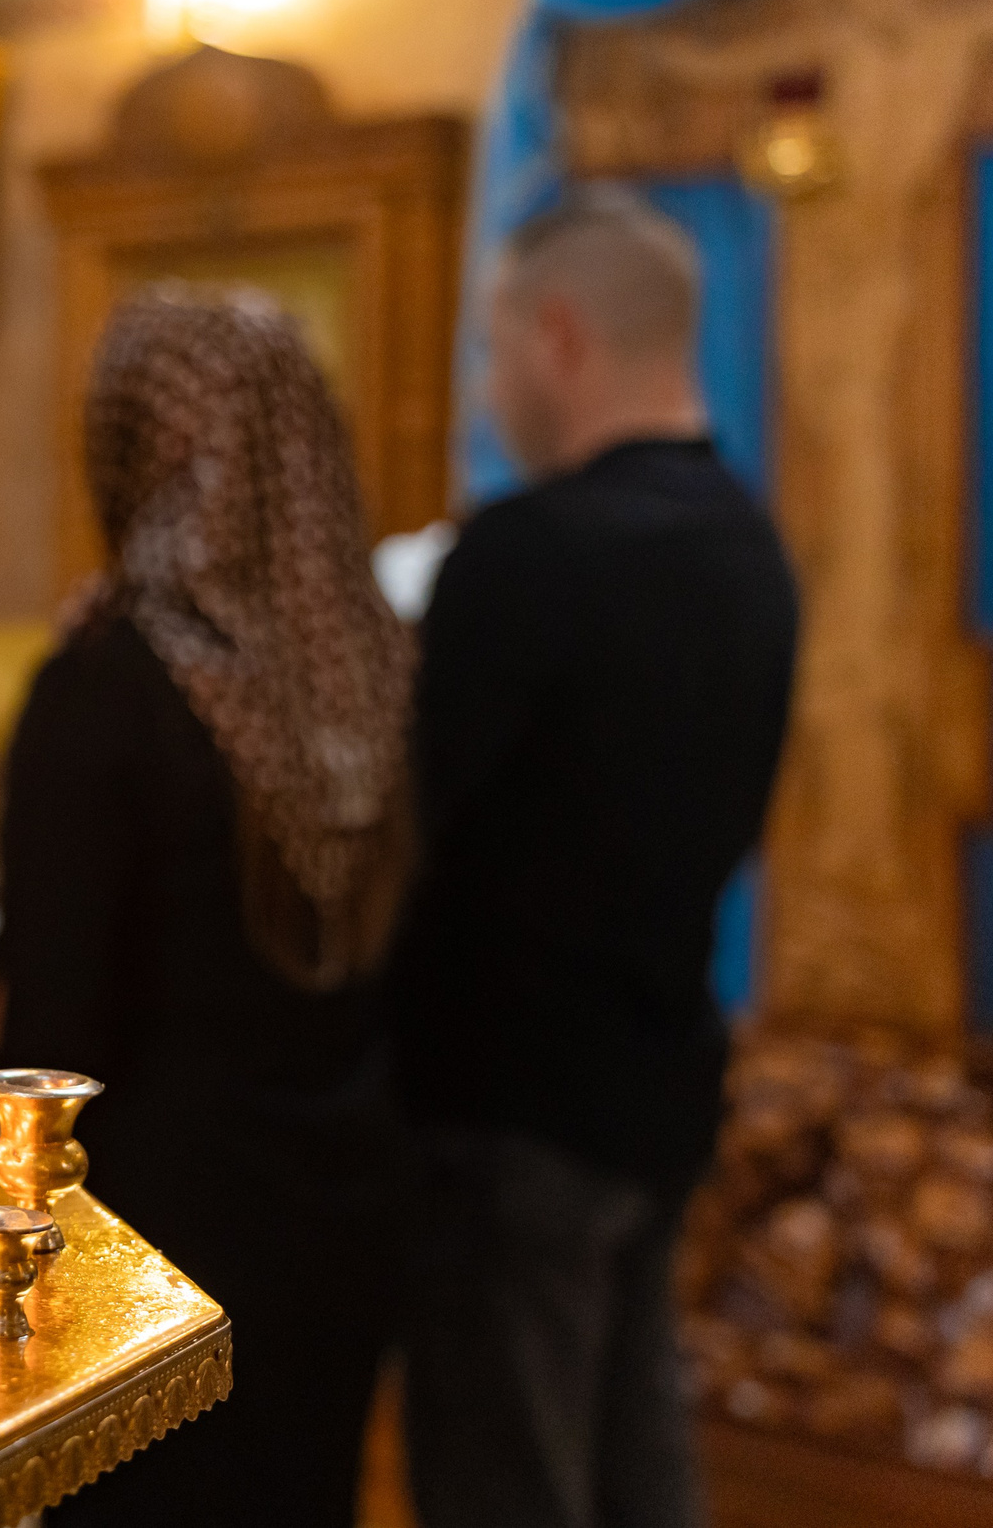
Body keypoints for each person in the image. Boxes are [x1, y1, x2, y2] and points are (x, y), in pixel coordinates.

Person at [0, 287, 413, 1526]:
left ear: (130, 449)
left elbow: (55, 1033)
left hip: (157, 1240)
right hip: (349, 1207)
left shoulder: (112, 687)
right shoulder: (379, 665)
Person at [393, 190, 798, 1528]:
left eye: (498, 350)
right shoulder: (757, 552)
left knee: (504, 1474)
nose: (496, 388)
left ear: (557, 335)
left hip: (501, 1103)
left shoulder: (524, 554)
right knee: (634, 1462)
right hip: (660, 1074)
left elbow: (408, 825)